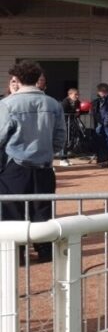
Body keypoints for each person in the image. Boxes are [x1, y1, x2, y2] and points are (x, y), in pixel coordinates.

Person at [0, 61, 65, 265]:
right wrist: (47, 151)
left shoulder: (8, 104)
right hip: (44, 165)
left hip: (15, 166)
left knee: (12, 210)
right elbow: (60, 137)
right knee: (42, 210)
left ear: (17, 80)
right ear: (38, 78)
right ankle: (45, 251)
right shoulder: (54, 104)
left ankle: (16, 255)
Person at [59, 88, 81, 166]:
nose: (77, 96)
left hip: (72, 122)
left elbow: (78, 111)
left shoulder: (77, 102)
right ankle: (62, 159)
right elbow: (64, 112)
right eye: (75, 94)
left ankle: (66, 158)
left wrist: (77, 112)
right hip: (64, 123)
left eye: (78, 94)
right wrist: (73, 113)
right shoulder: (65, 102)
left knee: (71, 140)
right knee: (64, 140)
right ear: (70, 95)